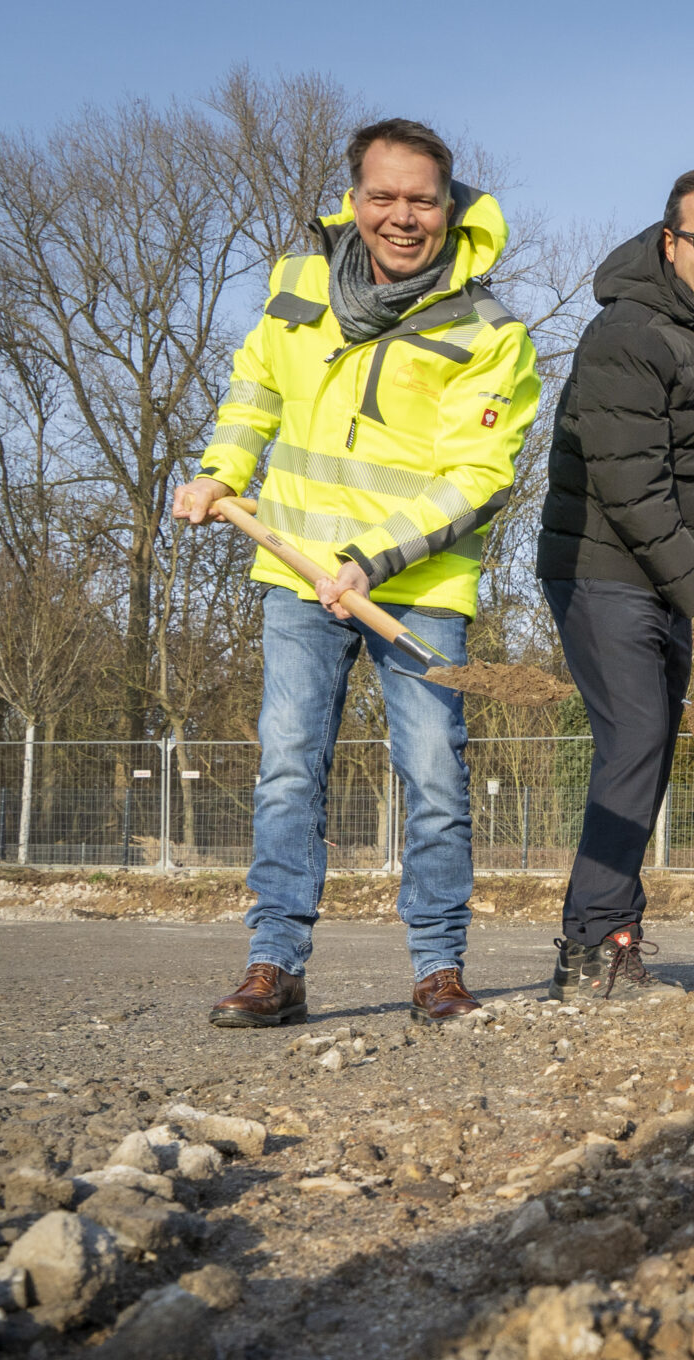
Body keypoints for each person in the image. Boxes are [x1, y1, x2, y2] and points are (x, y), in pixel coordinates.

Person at [174, 118, 540, 1027]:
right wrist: (223, 466)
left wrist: (371, 562)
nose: (402, 216)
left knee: (433, 775)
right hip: (296, 575)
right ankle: (274, 965)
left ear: (451, 208)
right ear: (354, 199)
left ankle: (438, 968)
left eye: (423, 199)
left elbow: (477, 476)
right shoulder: (297, 284)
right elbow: (256, 385)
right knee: (288, 769)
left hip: (415, 589)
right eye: (384, 196)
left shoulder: (489, 330)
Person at [535, 169, 694, 1000]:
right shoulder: (629, 333)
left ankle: (603, 937)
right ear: (668, 241)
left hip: (655, 570)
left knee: (647, 749)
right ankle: (596, 947)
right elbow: (629, 486)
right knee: (635, 739)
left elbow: (674, 465)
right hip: (602, 566)